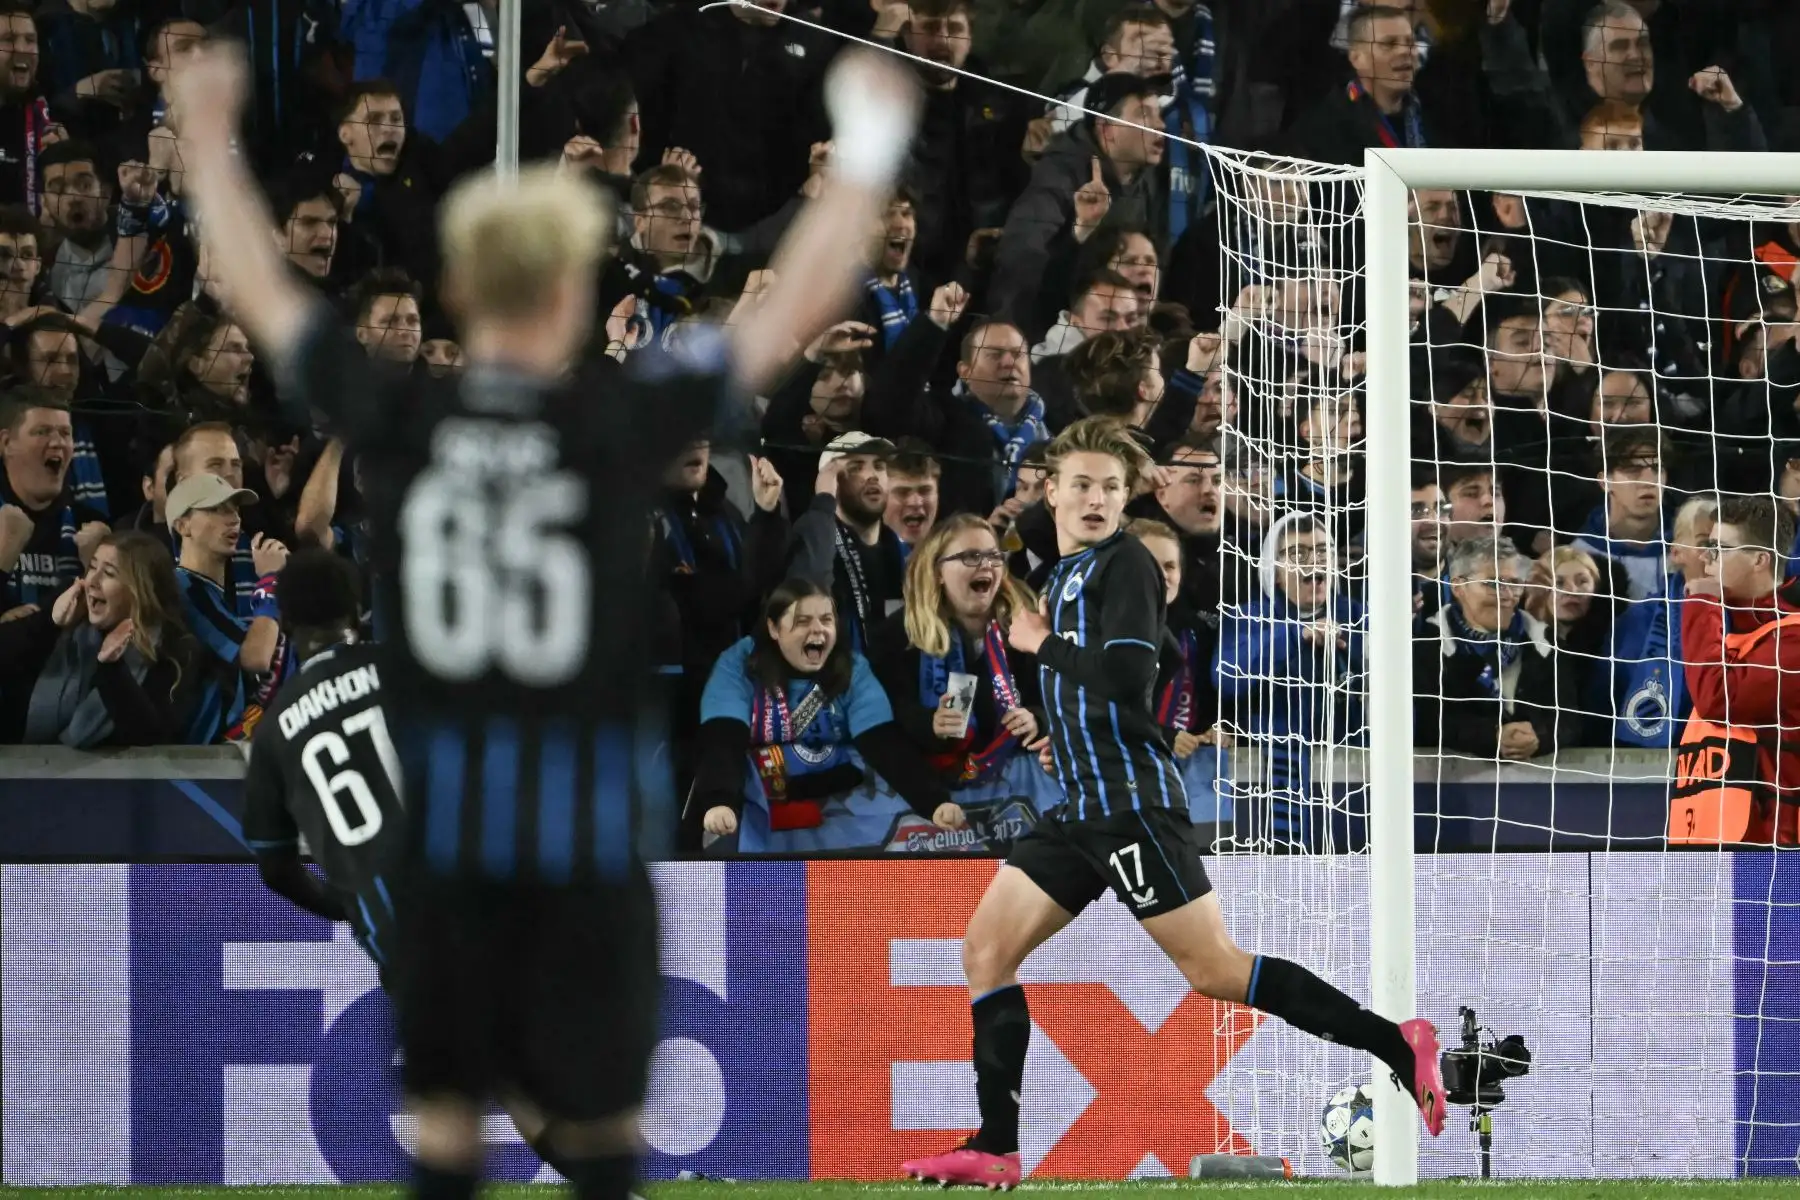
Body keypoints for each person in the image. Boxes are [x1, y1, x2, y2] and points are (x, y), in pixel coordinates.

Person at [169, 38, 920, 1200]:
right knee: (602, 1145)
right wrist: (864, 150)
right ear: (576, 293)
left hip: (450, 855)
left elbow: (259, 293)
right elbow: (795, 309)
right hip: (584, 853)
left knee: (452, 1147)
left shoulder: (404, 417)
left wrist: (209, 136)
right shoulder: (613, 424)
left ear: (458, 294)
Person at [898, 417, 1443, 1189]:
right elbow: (1091, 684)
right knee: (985, 951)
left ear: (1125, 500)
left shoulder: (1125, 566)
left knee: (1214, 970)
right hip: (1079, 806)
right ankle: (995, 1145)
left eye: (1110, 488)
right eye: (1081, 484)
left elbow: (1124, 677)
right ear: (1051, 490)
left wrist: (1037, 646)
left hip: (1129, 809)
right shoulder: (1063, 573)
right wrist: (1058, 728)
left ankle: (1399, 1043)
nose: (1094, 499)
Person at [242, 548, 588, 1176]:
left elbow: (273, 865)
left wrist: (345, 903)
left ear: (286, 625)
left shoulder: (273, 731)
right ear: (359, 609)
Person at [692, 578, 958, 842]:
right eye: (803, 621)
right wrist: (719, 800)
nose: (818, 630)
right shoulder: (737, 664)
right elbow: (723, 738)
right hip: (757, 802)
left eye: (826, 620)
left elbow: (883, 742)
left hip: (839, 799)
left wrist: (933, 802)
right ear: (774, 628)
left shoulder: (854, 668)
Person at [868, 514, 1041, 785]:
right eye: (970, 556)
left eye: (993, 556)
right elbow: (888, 713)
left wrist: (1036, 719)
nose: (985, 564)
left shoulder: (1025, 625)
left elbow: (1059, 698)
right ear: (938, 572)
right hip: (932, 788)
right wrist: (929, 724)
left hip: (1016, 779)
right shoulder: (899, 634)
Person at [1676, 494, 1800, 846]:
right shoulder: (1736, 628)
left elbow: (1718, 699)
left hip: (1779, 855)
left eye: (1718, 548)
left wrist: (1702, 603)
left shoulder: (1793, 642)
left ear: (1760, 560)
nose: (1704, 557)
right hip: (1710, 845)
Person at [0, 529, 195, 745]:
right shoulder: (69, 608)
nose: (92, 580)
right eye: (92, 567)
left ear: (140, 591)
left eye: (109, 573)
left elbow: (149, 736)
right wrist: (50, 622)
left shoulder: (174, 649)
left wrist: (112, 667)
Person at [1415, 536, 1581, 761]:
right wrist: (1491, 737)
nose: (1506, 595)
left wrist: (1540, 737)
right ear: (1458, 586)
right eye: (1493, 584)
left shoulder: (1546, 642)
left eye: (1514, 583)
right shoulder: (1427, 645)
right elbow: (1427, 721)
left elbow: (1571, 720)